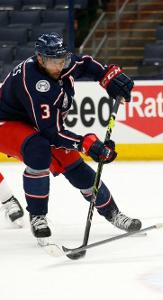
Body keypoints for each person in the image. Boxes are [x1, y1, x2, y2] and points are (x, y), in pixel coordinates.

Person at [0, 32, 141, 243]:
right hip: (6, 123)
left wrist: (107, 76)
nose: (59, 66)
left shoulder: (61, 62)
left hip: (37, 123)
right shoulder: (35, 83)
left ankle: (113, 213)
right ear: (40, 59)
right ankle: (38, 216)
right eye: (52, 62)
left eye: (62, 60)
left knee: (77, 168)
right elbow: (51, 133)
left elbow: (85, 65)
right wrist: (86, 144)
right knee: (38, 149)